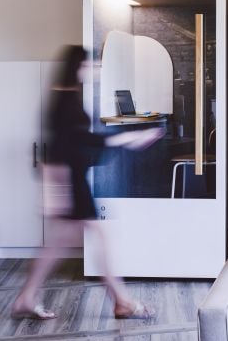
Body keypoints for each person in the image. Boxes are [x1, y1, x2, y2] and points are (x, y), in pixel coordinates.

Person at [11, 45, 165, 320]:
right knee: (96, 236)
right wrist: (128, 139)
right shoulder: (66, 100)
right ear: (77, 67)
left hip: (68, 177)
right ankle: (122, 302)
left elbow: (74, 142)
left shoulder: (64, 96)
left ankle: (27, 297)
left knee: (58, 242)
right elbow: (80, 141)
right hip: (71, 180)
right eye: (89, 65)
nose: (93, 70)